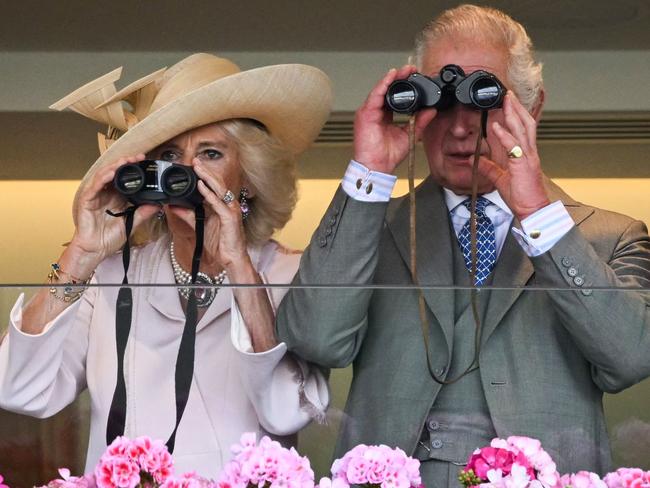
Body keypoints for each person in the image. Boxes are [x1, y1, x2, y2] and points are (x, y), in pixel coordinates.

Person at [276, 4, 650, 483]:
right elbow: (314, 339)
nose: (459, 127)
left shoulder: (607, 237)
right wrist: (369, 171)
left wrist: (538, 216)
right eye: (442, 101)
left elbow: (631, 358)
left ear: (531, 108)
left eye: (483, 98)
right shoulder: (371, 226)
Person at [0, 53, 332, 478]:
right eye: (170, 155)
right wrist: (81, 255)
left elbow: (286, 412)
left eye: (210, 153)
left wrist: (238, 265)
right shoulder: (112, 277)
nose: (187, 171)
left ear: (248, 178)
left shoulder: (291, 276)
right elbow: (19, 389)